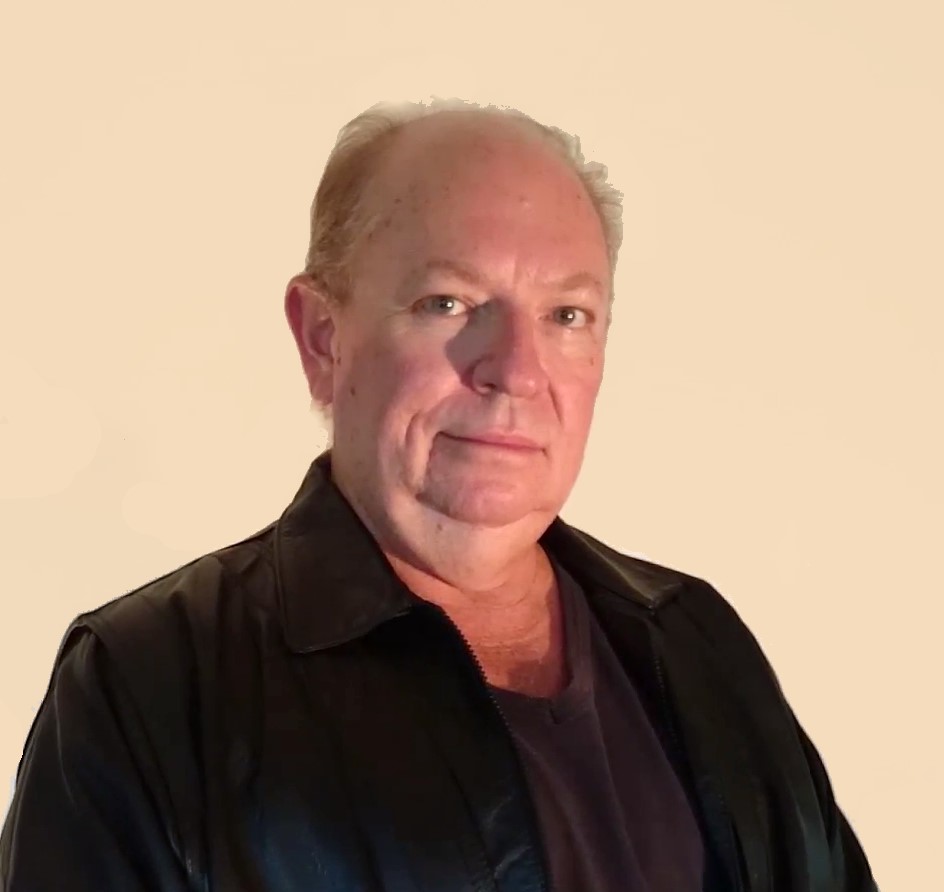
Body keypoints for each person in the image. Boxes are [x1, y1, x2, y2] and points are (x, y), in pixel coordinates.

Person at [0, 98, 877, 891]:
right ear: (321, 337)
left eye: (567, 316)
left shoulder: (696, 644)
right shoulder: (148, 686)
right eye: (449, 303)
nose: (517, 372)